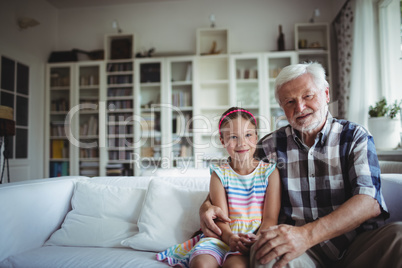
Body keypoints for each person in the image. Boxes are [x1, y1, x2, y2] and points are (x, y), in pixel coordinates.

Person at [199, 62, 402, 268]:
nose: (300, 107)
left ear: (326, 94)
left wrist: (307, 234)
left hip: (359, 243)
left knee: (399, 236)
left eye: (308, 96)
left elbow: (370, 201)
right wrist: (206, 207)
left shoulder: (355, 136)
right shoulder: (269, 146)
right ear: (282, 108)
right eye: (289, 101)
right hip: (297, 251)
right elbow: (232, 177)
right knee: (265, 255)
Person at [157, 107, 281, 268]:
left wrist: (257, 241)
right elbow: (221, 218)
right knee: (200, 264)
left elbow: (271, 218)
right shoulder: (219, 174)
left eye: (248, 135)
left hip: (251, 239)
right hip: (221, 237)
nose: (242, 143)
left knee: (234, 266)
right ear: (222, 141)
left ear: (256, 137)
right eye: (233, 137)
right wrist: (230, 238)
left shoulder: (270, 173)